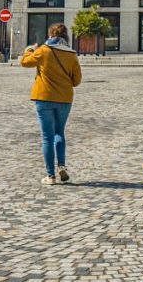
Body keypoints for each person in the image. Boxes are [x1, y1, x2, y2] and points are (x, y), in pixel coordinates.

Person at [20, 23, 83, 185]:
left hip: (44, 97)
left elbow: (25, 62)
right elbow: (76, 81)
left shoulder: (44, 51)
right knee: (59, 133)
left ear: (50, 35)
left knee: (47, 137)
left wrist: (29, 49)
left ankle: (50, 176)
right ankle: (62, 165)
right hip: (64, 99)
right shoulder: (72, 55)